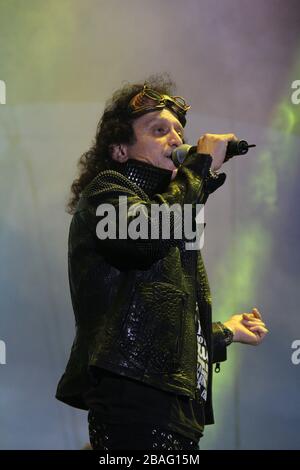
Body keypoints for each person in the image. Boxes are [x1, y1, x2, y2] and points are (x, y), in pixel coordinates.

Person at [56, 75, 268, 451]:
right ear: (121, 149)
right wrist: (200, 166)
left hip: (178, 414)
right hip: (133, 403)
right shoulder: (107, 193)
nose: (176, 139)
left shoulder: (174, 218)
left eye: (179, 130)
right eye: (158, 130)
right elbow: (145, 239)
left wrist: (225, 333)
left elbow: (163, 318)